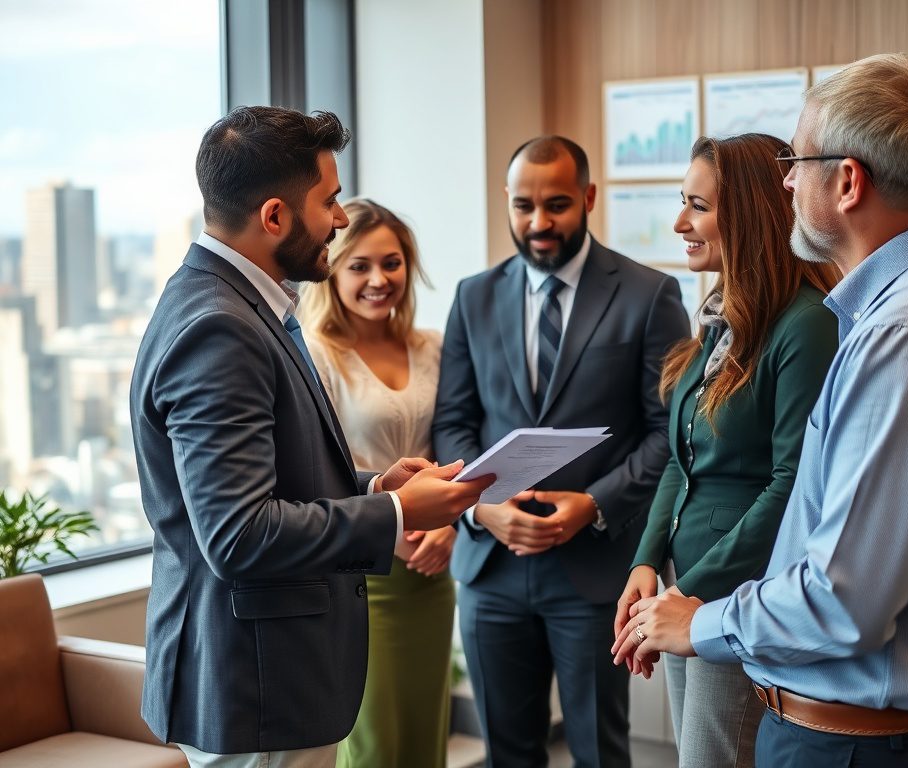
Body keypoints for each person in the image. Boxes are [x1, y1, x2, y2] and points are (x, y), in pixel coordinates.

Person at [613, 53, 908, 768]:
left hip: (872, 744)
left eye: (796, 162)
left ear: (848, 181)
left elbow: (843, 599)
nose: (786, 182)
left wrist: (701, 621)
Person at [129, 106, 491, 768]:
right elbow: (239, 534)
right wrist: (398, 512)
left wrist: (375, 487)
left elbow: (275, 482)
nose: (341, 219)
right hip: (258, 686)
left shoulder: (237, 305)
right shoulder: (220, 327)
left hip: (268, 676)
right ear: (275, 216)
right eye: (328, 201)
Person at [433, 134, 690, 768]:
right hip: (491, 568)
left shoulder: (649, 295)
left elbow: (669, 433)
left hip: (594, 569)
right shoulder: (473, 295)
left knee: (599, 750)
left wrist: (593, 505)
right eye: (523, 206)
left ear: (588, 198)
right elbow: (453, 421)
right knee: (507, 753)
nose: (538, 223)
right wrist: (480, 507)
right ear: (506, 200)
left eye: (556, 205)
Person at [614, 133, 840, 768]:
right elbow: (680, 460)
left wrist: (688, 594)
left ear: (749, 214)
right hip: (684, 593)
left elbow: (792, 484)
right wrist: (647, 564)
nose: (679, 223)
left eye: (698, 206)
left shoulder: (806, 323)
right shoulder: (723, 318)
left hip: (738, 597)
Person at [297, 198, 454, 768]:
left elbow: (452, 446)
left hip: (432, 575)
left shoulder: (433, 346)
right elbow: (311, 474)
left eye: (391, 263)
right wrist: (391, 528)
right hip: (361, 576)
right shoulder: (314, 355)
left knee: (425, 739)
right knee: (374, 749)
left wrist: (449, 524)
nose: (378, 279)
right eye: (359, 265)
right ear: (332, 270)